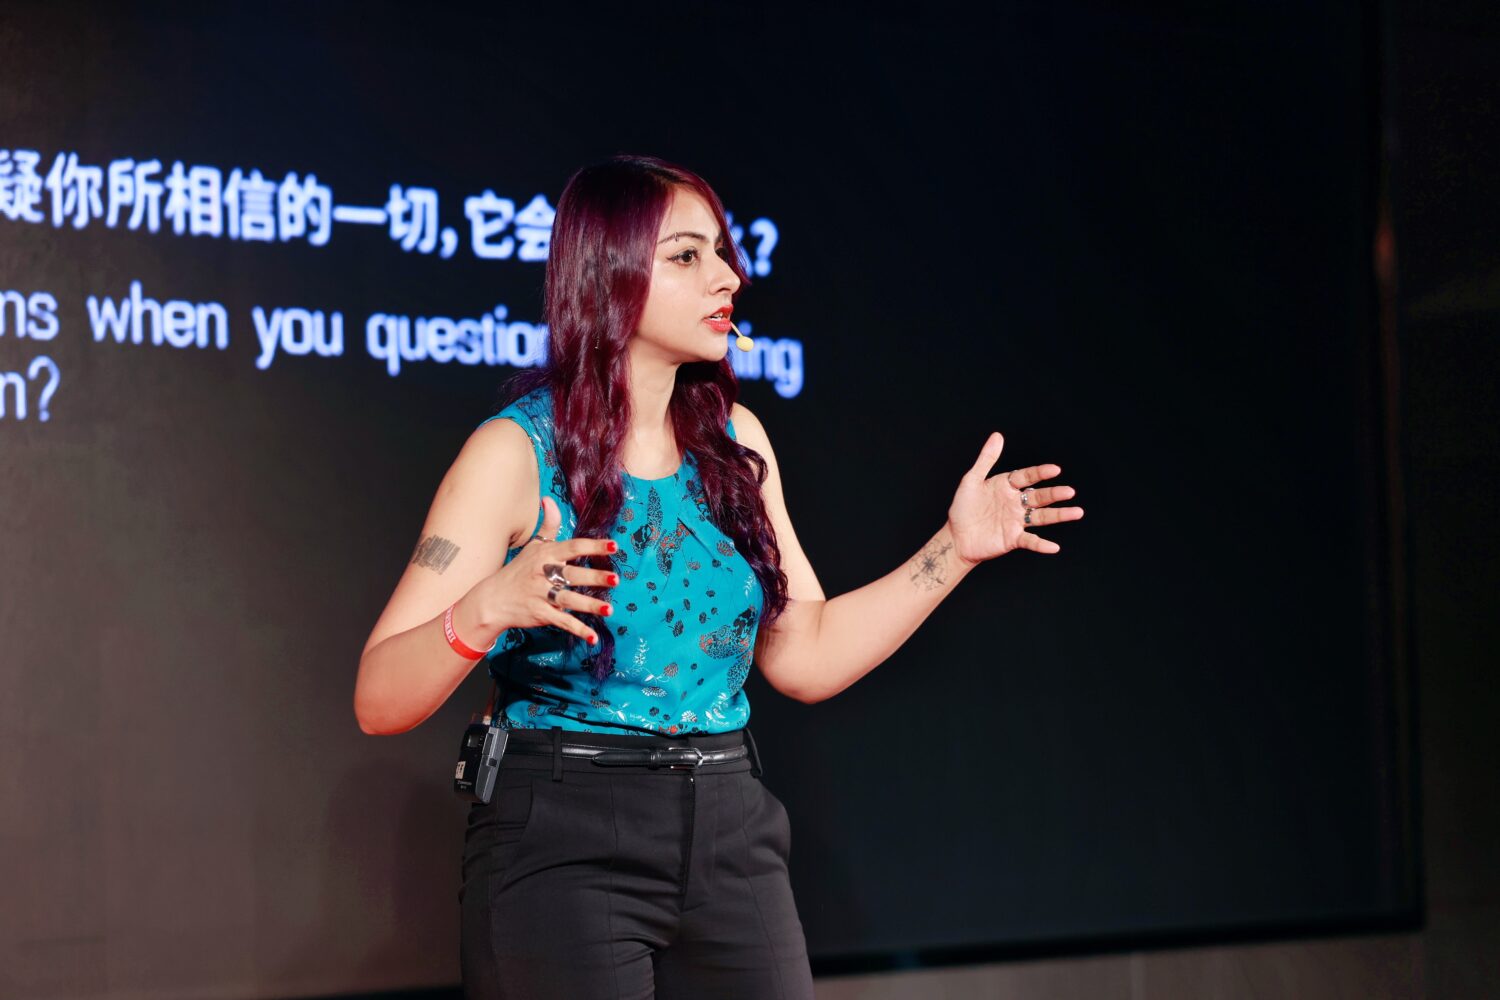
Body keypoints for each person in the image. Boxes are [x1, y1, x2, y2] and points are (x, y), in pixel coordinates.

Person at [353, 154, 1083, 999]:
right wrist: (487, 607)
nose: (727, 277)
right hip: (561, 834)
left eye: (723, 254)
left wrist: (952, 551)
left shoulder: (736, 443)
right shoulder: (516, 454)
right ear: (609, 274)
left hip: (729, 824)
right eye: (688, 256)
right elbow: (379, 697)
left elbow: (802, 654)